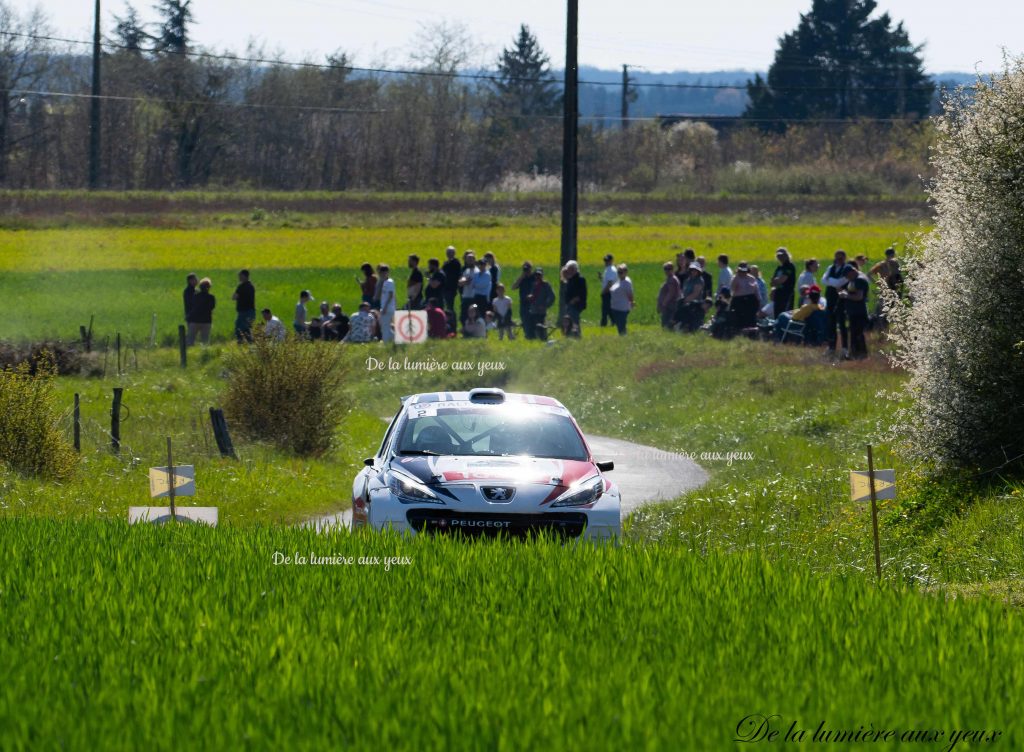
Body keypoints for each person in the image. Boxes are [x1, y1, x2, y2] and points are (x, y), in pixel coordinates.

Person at [822, 250, 850, 358]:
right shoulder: (830, 268)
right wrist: (834, 282)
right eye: (837, 258)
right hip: (830, 299)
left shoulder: (846, 269)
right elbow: (823, 280)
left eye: (840, 258)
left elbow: (841, 282)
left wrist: (831, 281)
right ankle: (831, 347)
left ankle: (844, 348)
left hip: (841, 300)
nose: (838, 260)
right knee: (831, 324)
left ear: (844, 258)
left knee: (842, 324)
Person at [839, 265, 869, 358]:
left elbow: (859, 297)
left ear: (852, 271)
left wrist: (846, 295)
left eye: (847, 275)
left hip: (859, 312)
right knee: (853, 333)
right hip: (853, 312)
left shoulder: (859, 280)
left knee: (858, 334)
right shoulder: (854, 280)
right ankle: (854, 353)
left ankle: (860, 353)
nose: (847, 278)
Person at [729, 262, 760, 330]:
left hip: (751, 300)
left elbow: (756, 291)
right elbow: (732, 290)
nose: (743, 273)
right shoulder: (735, 278)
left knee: (751, 317)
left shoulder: (751, 278)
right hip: (739, 300)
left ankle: (751, 331)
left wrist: (758, 300)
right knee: (740, 318)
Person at [526, 267, 556, 340]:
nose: (537, 276)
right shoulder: (533, 284)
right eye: (536, 275)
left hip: (541, 311)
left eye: (539, 275)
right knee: (532, 326)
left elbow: (552, 297)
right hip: (533, 309)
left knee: (541, 326)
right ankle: (533, 340)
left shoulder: (546, 285)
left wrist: (545, 305)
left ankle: (543, 339)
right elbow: (530, 295)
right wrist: (529, 297)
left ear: (542, 275)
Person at [562, 260, 587, 337]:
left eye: (570, 269)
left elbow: (581, 294)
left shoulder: (580, 279)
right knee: (570, 322)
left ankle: (577, 336)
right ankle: (571, 336)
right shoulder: (570, 279)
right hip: (570, 304)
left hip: (576, 305)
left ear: (575, 269)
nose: (569, 270)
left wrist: (573, 301)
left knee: (574, 321)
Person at [608, 263, 634, 336]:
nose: (619, 274)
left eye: (621, 272)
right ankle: (623, 337)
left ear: (626, 272)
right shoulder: (619, 280)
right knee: (619, 326)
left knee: (621, 326)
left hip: (622, 308)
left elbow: (630, 294)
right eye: (618, 272)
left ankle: (624, 339)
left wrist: (632, 303)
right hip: (615, 307)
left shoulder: (626, 282)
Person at [513, 261, 536, 339]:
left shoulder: (534, 277)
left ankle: (533, 336)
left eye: (528, 269)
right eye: (525, 269)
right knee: (525, 320)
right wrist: (522, 276)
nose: (526, 271)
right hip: (523, 304)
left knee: (532, 321)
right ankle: (527, 336)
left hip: (533, 303)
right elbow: (513, 287)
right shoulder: (522, 278)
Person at [679, 263, 706, 332]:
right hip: (685, 302)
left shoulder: (699, 280)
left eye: (695, 270)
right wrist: (682, 299)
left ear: (698, 271)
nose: (693, 272)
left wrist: (685, 300)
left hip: (695, 304)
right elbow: (683, 291)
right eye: (692, 270)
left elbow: (695, 294)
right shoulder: (687, 280)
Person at [232, 269, 256, 343]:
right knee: (247, 328)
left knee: (239, 328)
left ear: (245, 276)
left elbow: (234, 297)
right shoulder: (251, 286)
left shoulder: (241, 286)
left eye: (240, 276)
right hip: (251, 311)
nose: (239, 277)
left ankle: (241, 343)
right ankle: (250, 344)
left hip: (243, 312)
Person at [770, 247, 796, 316]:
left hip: (787, 294)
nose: (780, 257)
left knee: (785, 314)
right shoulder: (779, 268)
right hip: (778, 294)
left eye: (782, 255)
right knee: (777, 314)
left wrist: (776, 280)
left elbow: (782, 280)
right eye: (778, 256)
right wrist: (776, 281)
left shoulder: (790, 266)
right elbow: (772, 283)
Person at [190, 278, 215, 345]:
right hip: (206, 321)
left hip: (195, 320)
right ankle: (205, 354)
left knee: (190, 340)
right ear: (209, 287)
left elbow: (193, 306)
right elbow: (212, 307)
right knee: (205, 341)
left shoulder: (195, 296)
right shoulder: (211, 297)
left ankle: (187, 354)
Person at [657, 262, 681, 330]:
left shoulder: (672, 279)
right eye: (665, 269)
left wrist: (664, 303)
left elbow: (671, 293)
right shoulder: (670, 279)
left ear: (673, 269)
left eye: (669, 269)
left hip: (669, 305)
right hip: (669, 305)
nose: (667, 270)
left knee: (666, 323)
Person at [457, 250, 477, 325]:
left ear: (474, 260)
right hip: (465, 297)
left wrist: (465, 282)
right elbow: (460, 282)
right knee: (464, 314)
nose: (470, 261)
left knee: (474, 312)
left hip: (474, 297)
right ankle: (465, 329)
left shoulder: (477, 271)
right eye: (468, 259)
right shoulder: (466, 271)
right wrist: (465, 282)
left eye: (471, 259)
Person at [378, 264, 396, 343]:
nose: (382, 275)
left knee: (385, 326)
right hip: (386, 307)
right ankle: (396, 338)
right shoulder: (384, 282)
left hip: (387, 308)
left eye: (383, 273)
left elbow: (391, 295)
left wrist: (384, 307)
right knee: (386, 326)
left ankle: (385, 343)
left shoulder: (389, 282)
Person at [598, 254, 617, 327]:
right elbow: (606, 281)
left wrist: (603, 292)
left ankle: (603, 324)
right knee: (608, 310)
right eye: (605, 260)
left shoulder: (611, 270)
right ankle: (614, 322)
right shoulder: (608, 269)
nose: (606, 262)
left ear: (611, 261)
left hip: (608, 293)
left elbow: (610, 283)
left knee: (605, 310)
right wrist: (601, 278)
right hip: (608, 292)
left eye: (607, 261)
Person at [441, 246, 462, 312]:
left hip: (451, 288)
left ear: (454, 253)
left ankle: (451, 320)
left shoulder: (456, 262)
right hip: (445, 288)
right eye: (448, 252)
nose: (449, 254)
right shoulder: (446, 263)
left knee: (450, 307)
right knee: (446, 306)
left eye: (451, 252)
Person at [183, 273, 199, 343]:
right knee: (191, 333)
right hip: (191, 314)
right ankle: (186, 345)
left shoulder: (195, 290)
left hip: (193, 314)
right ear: (190, 281)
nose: (197, 280)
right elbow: (191, 303)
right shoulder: (188, 291)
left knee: (193, 332)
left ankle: (188, 345)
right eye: (195, 279)